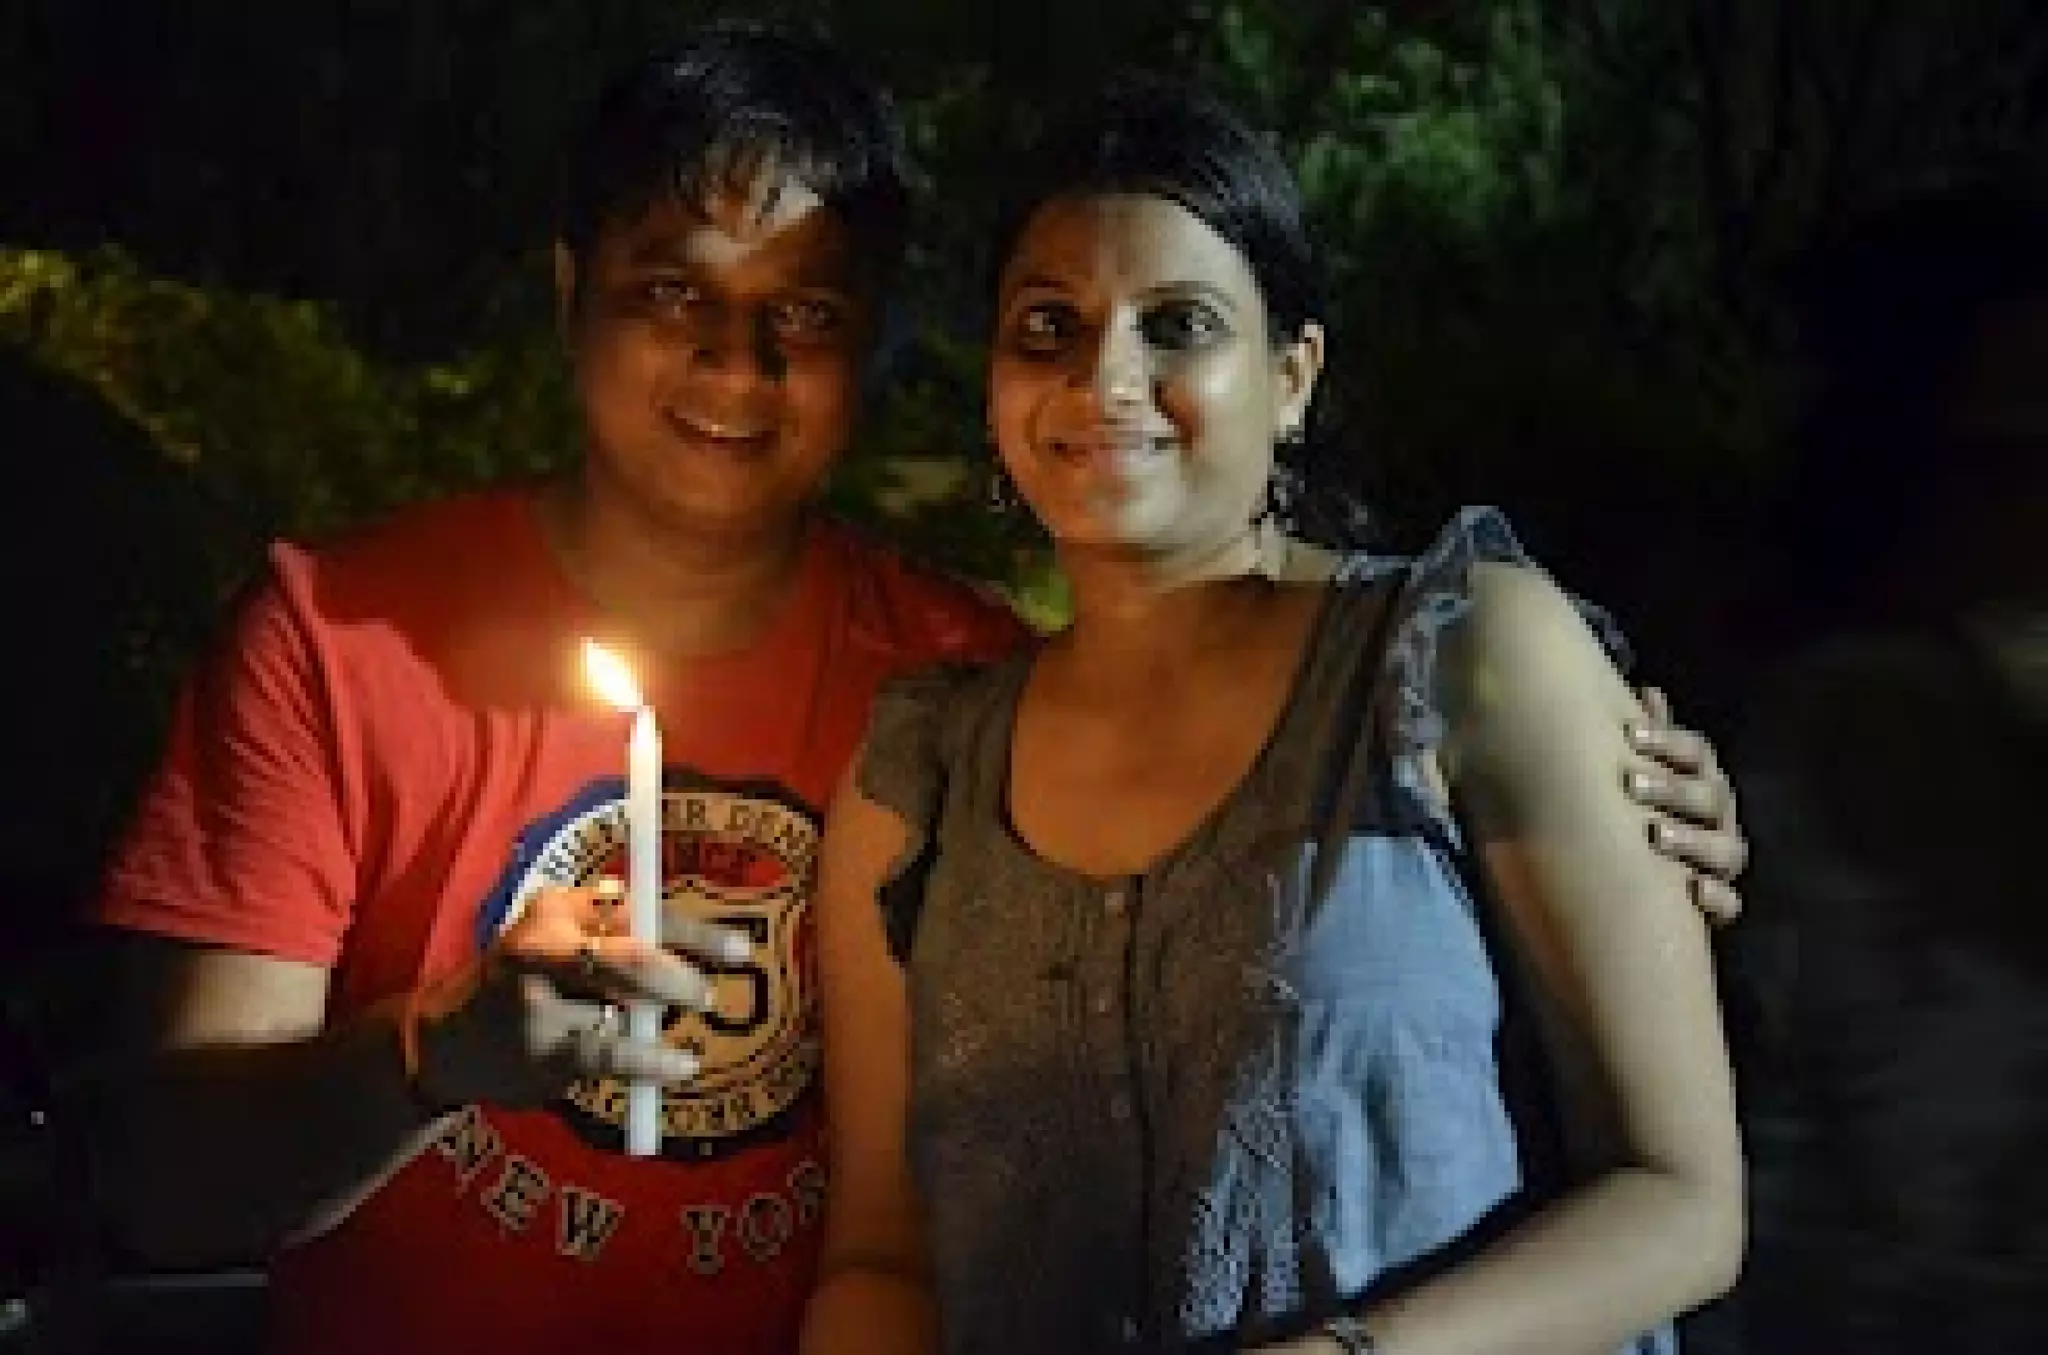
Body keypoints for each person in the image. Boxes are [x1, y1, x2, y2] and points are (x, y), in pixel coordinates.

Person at [83, 30, 1745, 1355]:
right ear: (570, 292)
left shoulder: (953, 679)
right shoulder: (343, 640)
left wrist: (1608, 779)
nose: (736, 362)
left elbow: (1644, 1154)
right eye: (673, 291)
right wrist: (432, 1052)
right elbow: (161, 1186)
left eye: (804, 313)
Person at [804, 77, 1743, 1355]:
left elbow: (1680, 1200)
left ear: (1290, 377)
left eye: (1177, 325)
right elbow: (880, 1258)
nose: (1104, 377)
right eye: (1047, 326)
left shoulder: (1462, 655)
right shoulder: (917, 783)